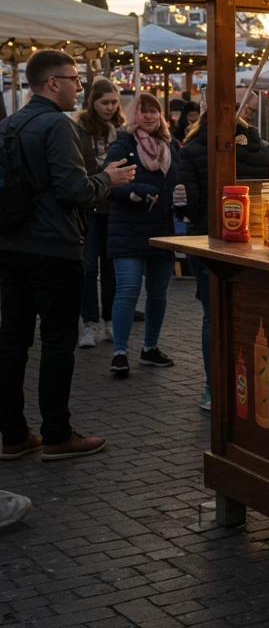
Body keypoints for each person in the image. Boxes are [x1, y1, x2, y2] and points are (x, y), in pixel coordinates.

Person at [0, 50, 134, 461]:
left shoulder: (9, 124)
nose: (80, 86)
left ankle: (14, 435)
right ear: (52, 82)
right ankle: (57, 434)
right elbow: (73, 190)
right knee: (58, 341)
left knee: (13, 342)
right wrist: (106, 179)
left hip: (10, 246)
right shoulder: (56, 124)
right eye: (75, 79)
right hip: (53, 247)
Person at [179, 110, 269, 409]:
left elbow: (187, 201)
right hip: (254, 239)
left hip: (207, 238)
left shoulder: (189, 151)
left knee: (212, 313)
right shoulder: (264, 150)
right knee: (253, 314)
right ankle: (250, 383)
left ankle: (213, 388)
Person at [105, 92, 182, 377]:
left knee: (158, 294)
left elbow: (180, 181)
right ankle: (120, 352)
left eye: (154, 111)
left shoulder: (171, 146)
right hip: (127, 228)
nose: (149, 116)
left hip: (161, 229)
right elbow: (107, 184)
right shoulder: (123, 145)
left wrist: (183, 197)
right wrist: (136, 191)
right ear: (134, 114)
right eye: (143, 111)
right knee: (127, 291)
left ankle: (150, 348)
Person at [73, 79, 126, 348]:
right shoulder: (78, 128)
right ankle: (90, 323)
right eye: (104, 102)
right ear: (92, 103)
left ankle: (109, 320)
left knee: (111, 269)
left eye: (114, 102)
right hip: (88, 207)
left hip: (114, 208)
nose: (110, 107)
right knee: (87, 267)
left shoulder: (120, 129)